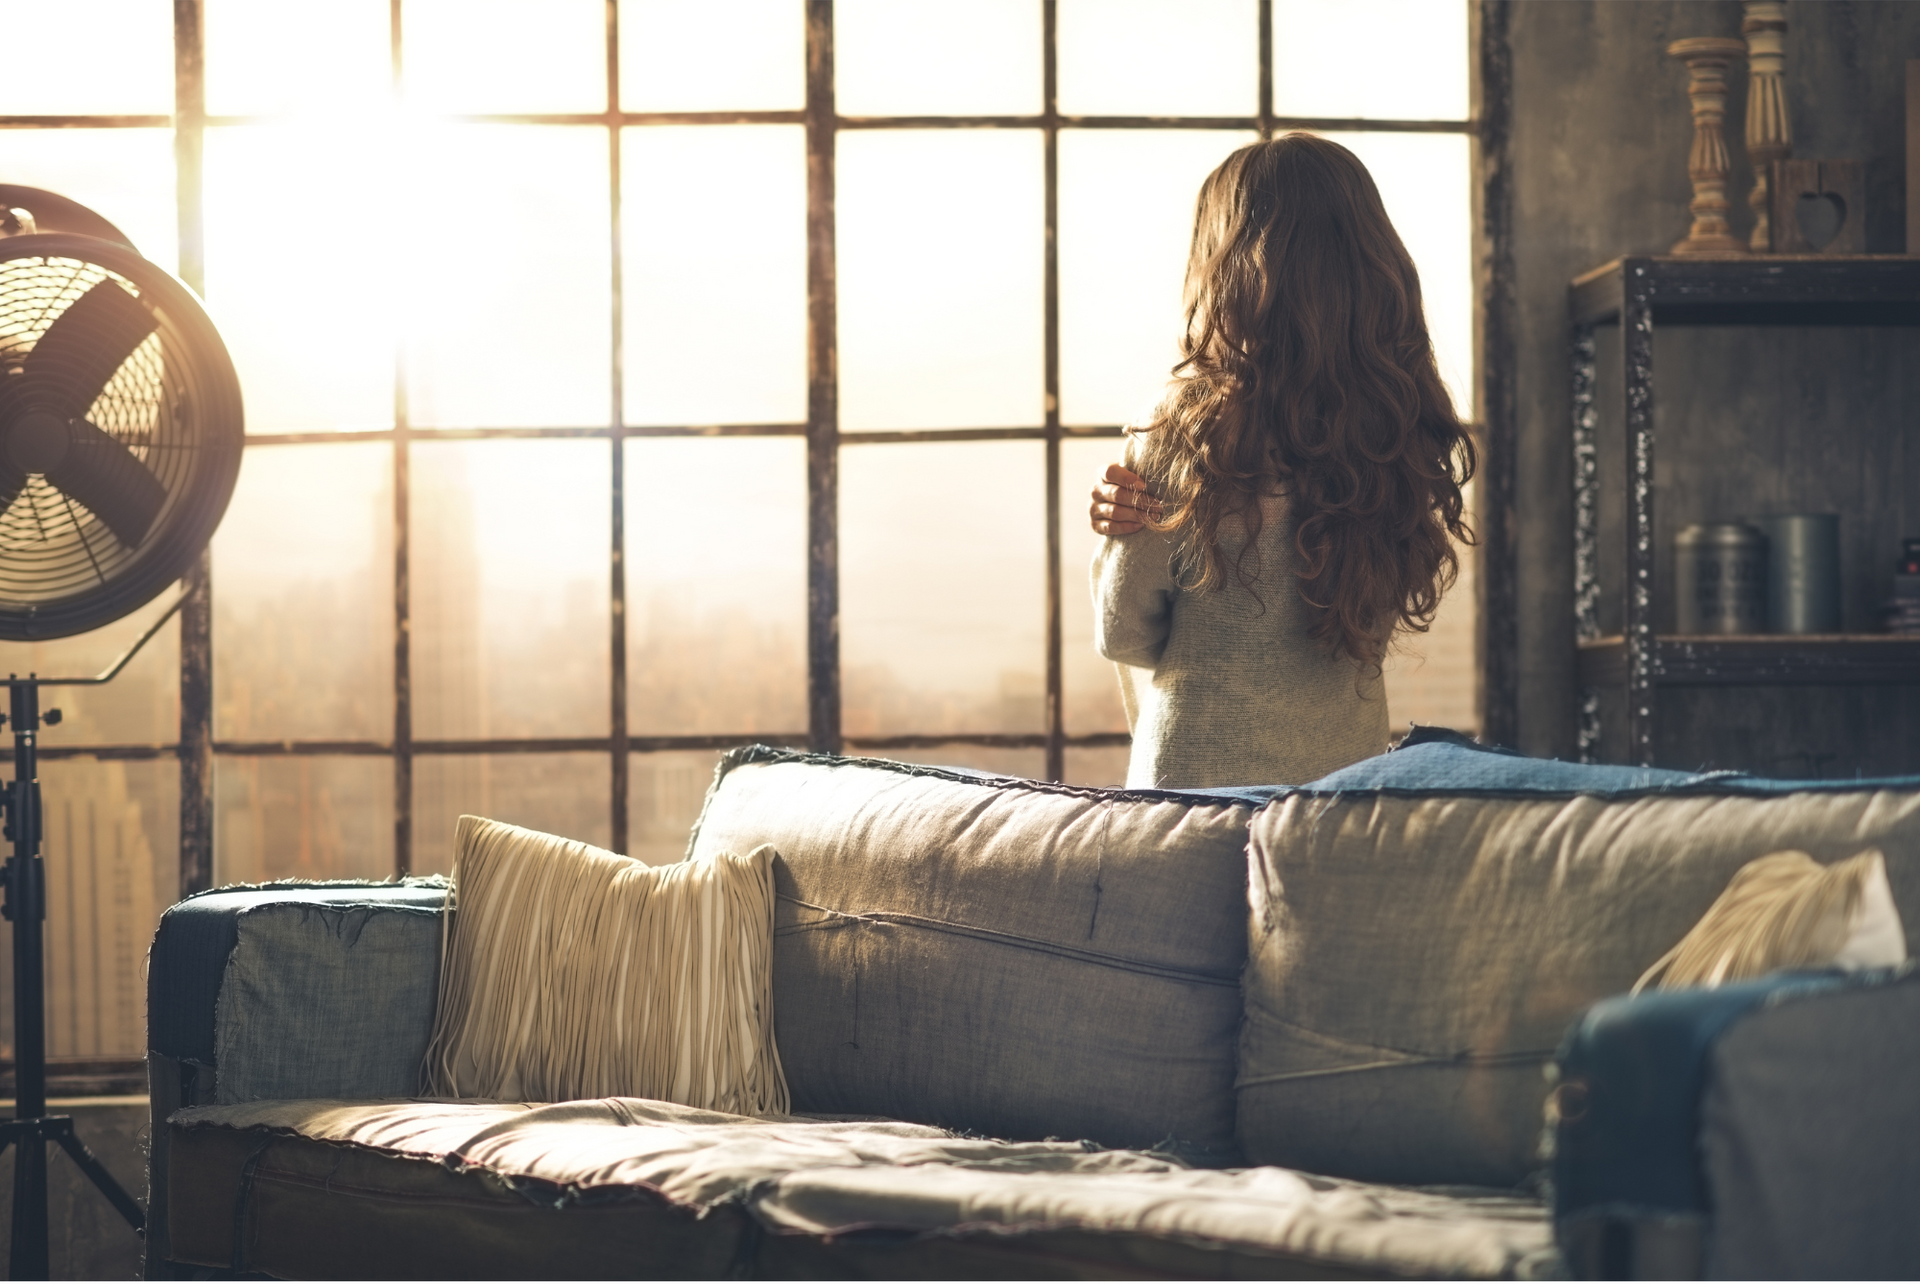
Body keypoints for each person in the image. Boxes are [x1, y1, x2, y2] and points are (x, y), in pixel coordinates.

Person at [1087, 133, 1475, 789]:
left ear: (1225, 266)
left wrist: (1113, 541)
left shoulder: (1186, 429)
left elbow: (1122, 632)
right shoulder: (1396, 435)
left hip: (1193, 800)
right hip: (1339, 801)